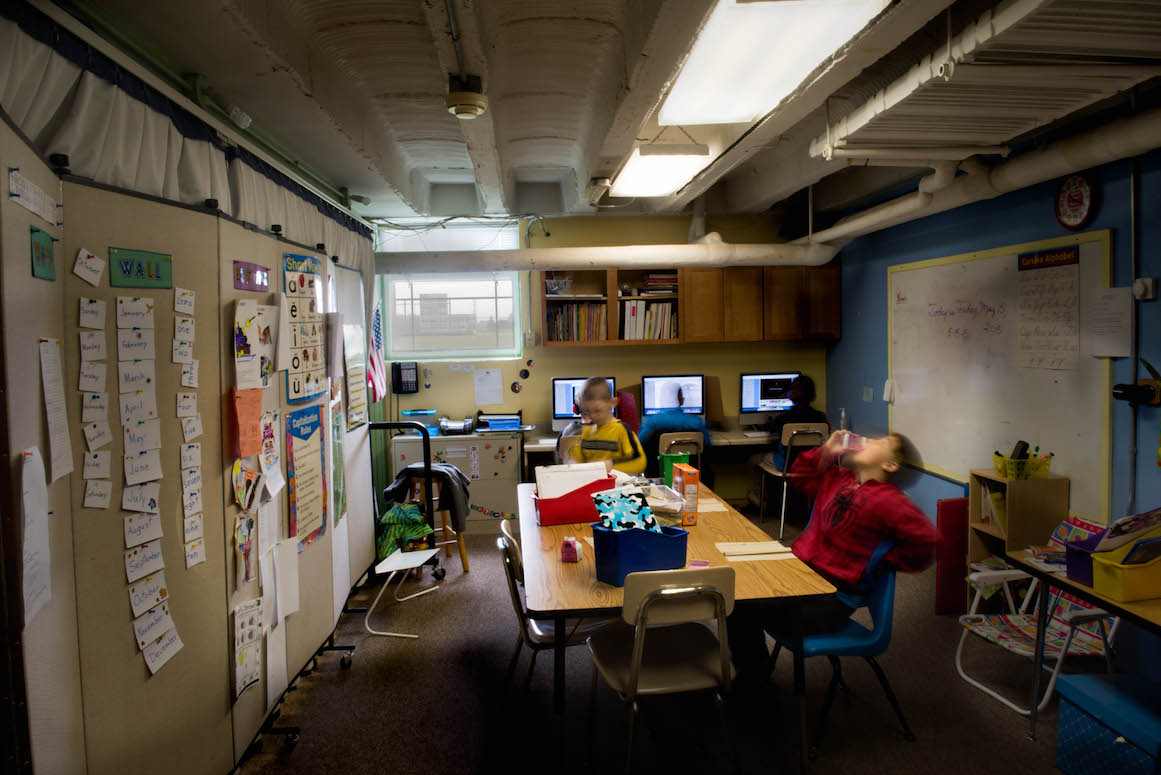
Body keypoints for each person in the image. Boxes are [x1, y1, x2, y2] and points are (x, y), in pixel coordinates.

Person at [730, 429, 936, 688]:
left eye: (878, 442)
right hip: (800, 577)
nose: (867, 439)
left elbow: (926, 542)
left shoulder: (890, 501)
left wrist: (884, 559)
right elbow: (799, 474)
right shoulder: (838, 478)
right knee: (738, 586)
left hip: (829, 600)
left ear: (890, 464)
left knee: (739, 605)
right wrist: (826, 451)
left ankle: (753, 686)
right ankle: (753, 676)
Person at [566, 376, 647, 475]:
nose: (593, 416)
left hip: (617, 485)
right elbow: (579, 459)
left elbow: (639, 461)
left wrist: (612, 465)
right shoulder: (587, 432)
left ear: (612, 403)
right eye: (588, 411)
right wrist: (572, 462)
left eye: (597, 411)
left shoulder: (621, 430)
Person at [637, 383, 712, 480]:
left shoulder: (652, 422)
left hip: (659, 475)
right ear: (681, 400)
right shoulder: (697, 422)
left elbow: (638, 444)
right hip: (690, 477)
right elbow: (708, 447)